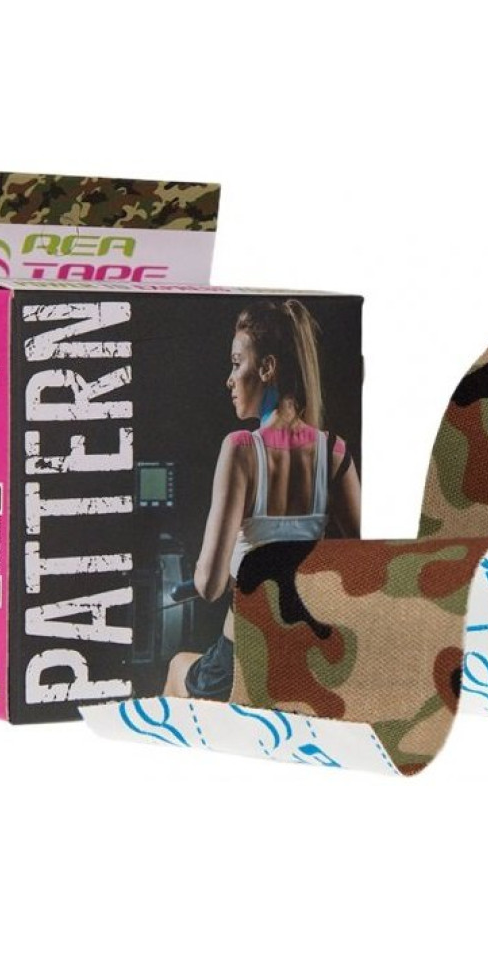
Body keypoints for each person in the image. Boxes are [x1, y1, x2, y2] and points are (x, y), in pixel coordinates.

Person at [164, 299, 361, 700]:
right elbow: (361, 566)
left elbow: (210, 586)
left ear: (267, 368)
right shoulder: (335, 452)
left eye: (237, 364)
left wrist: (211, 570)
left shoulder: (241, 450)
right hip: (308, 656)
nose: (229, 379)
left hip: (242, 660)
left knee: (174, 668)